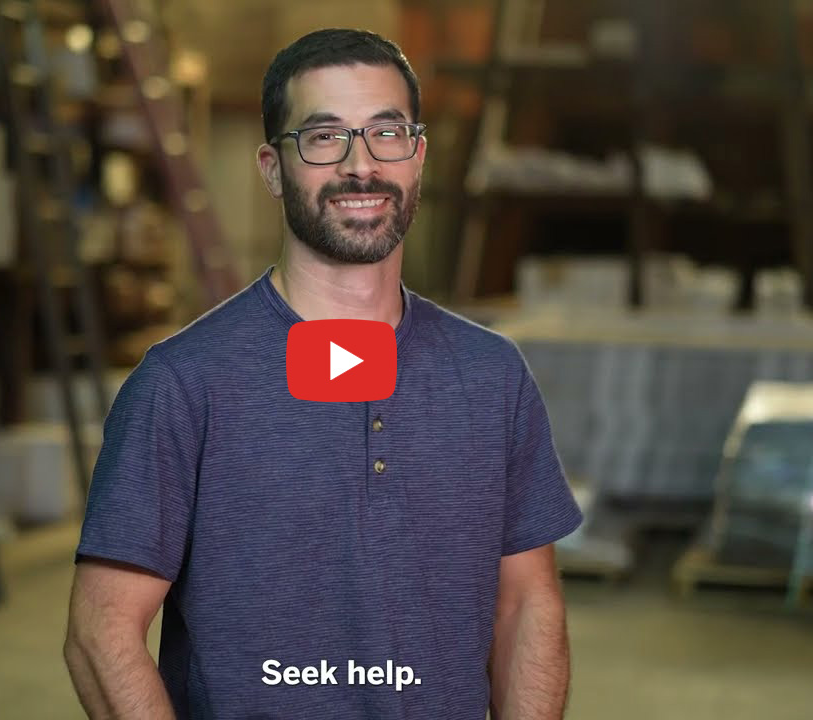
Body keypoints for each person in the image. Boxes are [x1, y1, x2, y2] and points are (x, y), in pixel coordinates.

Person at [63, 28, 583, 720]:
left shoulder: (492, 377)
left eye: (386, 134)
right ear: (273, 169)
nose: (360, 166)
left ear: (418, 156)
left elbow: (526, 604)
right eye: (323, 137)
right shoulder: (184, 383)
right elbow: (100, 634)